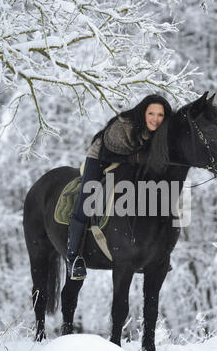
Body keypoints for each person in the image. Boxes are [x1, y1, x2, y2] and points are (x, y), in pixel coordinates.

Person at [66, 94, 172, 280]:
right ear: (143, 112)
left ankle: (152, 252)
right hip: (101, 157)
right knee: (88, 196)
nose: (155, 119)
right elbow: (111, 152)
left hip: (130, 163)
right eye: (151, 113)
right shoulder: (124, 125)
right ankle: (73, 257)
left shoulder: (161, 132)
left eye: (160, 115)